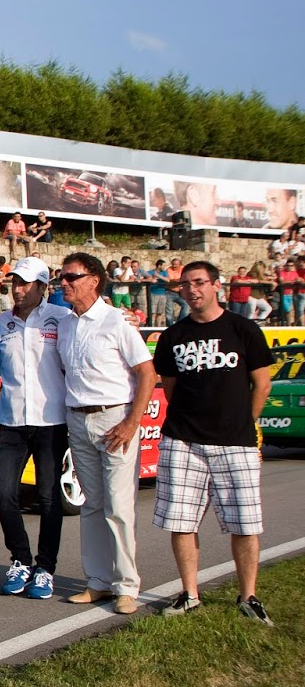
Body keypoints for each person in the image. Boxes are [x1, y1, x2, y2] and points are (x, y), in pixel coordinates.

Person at [153, 261, 275, 624]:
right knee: (182, 521)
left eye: (200, 282)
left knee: (245, 523)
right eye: (186, 285)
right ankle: (190, 594)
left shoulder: (243, 328)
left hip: (235, 441)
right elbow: (171, 389)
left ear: (217, 285)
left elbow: (262, 384)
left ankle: (248, 595)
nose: (192, 290)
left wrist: (244, 423)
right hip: (183, 440)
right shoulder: (173, 336)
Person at [56, 251, 155, 616]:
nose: (63, 283)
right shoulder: (65, 323)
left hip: (115, 419)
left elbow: (146, 372)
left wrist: (132, 421)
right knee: (92, 505)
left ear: (94, 279)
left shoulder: (117, 321)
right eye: (61, 278)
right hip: (78, 420)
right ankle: (97, 582)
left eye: (71, 277)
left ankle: (126, 585)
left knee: (118, 506)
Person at [0, 257, 72, 601]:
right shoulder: (2, 321)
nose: (18, 289)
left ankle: (46, 568)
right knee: (4, 496)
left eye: (25, 283)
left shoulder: (62, 318)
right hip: (10, 421)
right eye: (14, 283)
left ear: (42, 287)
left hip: (51, 422)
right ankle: (21, 560)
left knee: (49, 499)